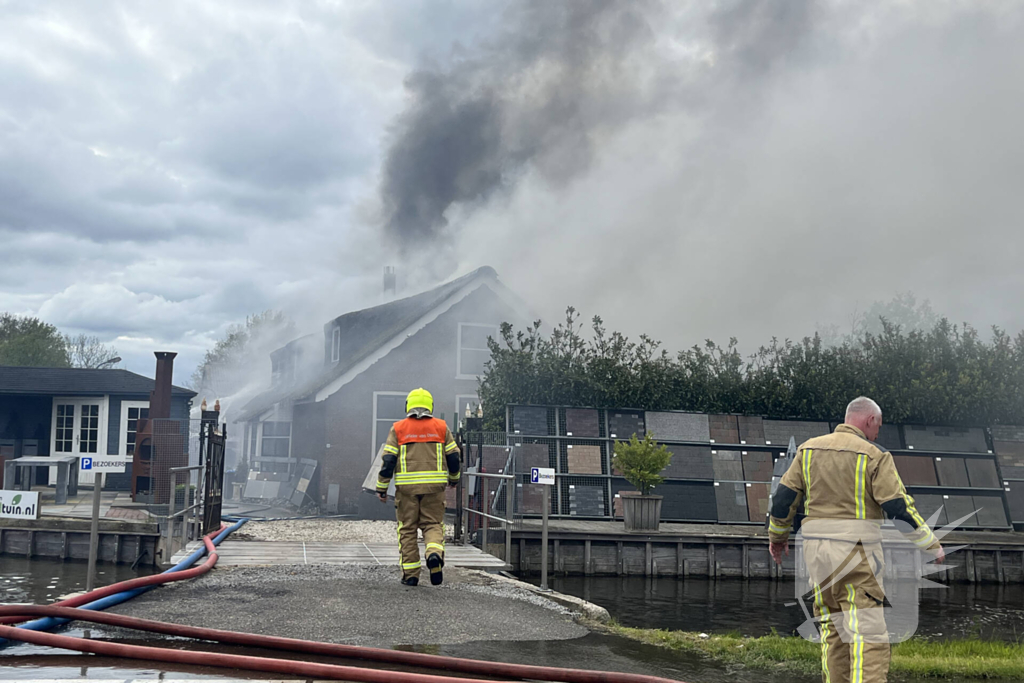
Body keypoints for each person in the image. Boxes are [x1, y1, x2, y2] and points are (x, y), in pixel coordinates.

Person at [768, 396, 944, 683]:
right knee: (868, 635)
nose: (878, 433)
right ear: (870, 420)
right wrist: (929, 543)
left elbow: (782, 501)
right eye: (879, 426)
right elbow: (898, 506)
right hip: (856, 554)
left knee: (832, 631)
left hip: (816, 555)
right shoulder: (874, 454)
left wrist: (777, 538)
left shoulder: (808, 450)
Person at [376, 388, 461, 586]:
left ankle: (411, 575)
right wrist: (454, 479)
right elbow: (454, 457)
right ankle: (433, 554)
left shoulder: (398, 428)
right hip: (434, 489)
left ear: (408, 406)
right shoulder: (441, 427)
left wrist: (381, 487)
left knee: (407, 529)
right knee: (432, 525)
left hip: (406, 490)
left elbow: (388, 461)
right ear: (430, 406)